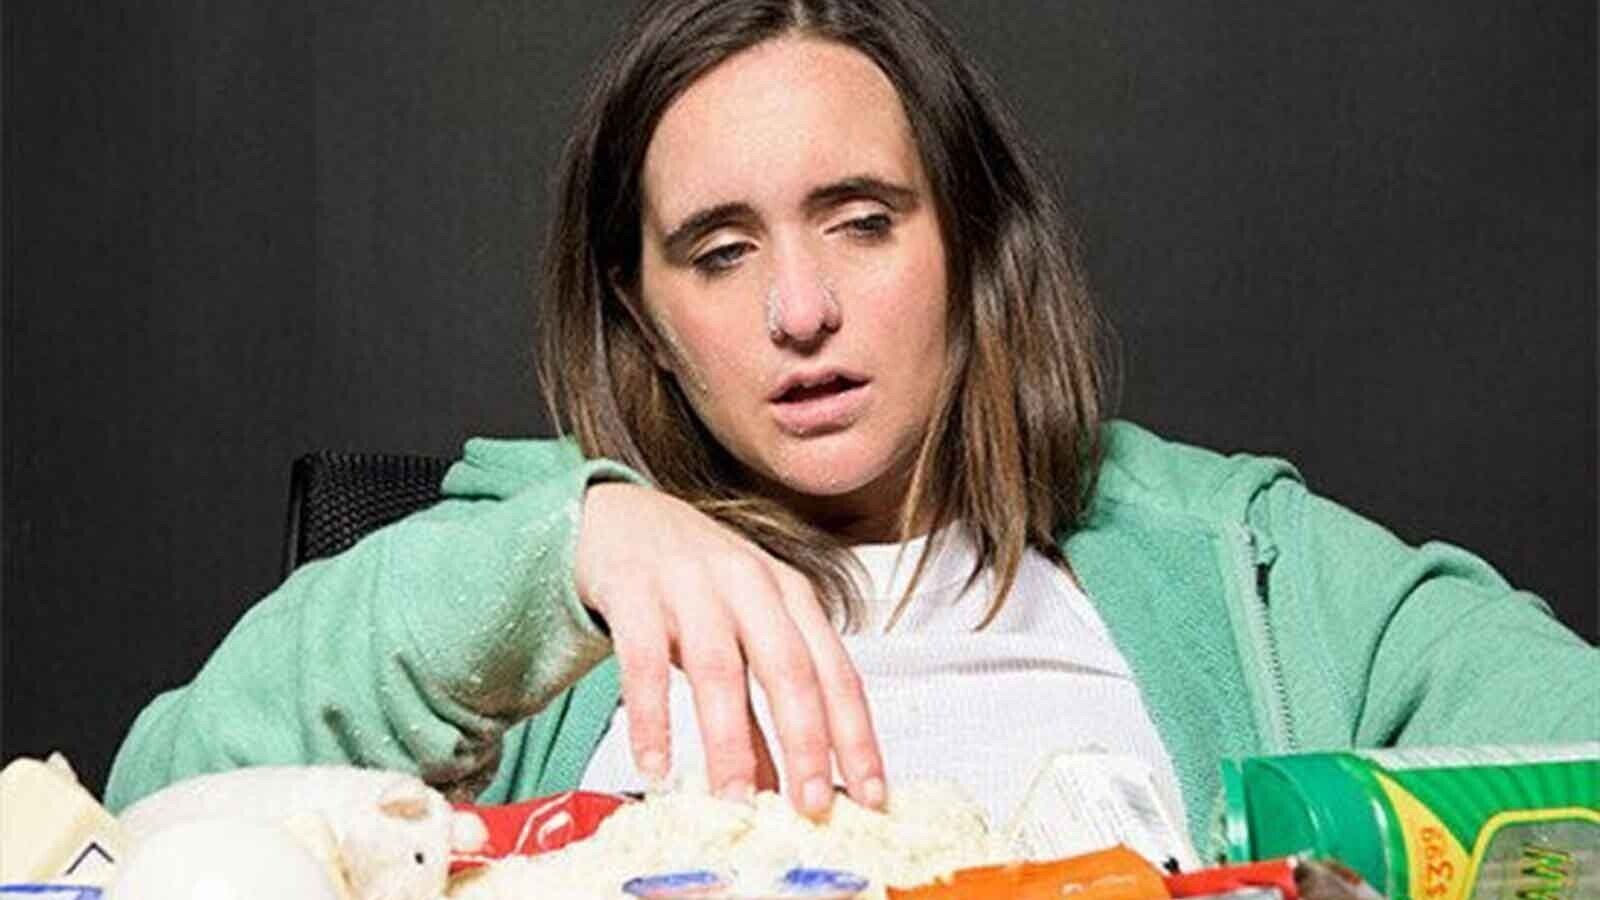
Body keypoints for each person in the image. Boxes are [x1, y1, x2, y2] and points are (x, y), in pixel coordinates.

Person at [106, 0, 1598, 854]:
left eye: (863, 221)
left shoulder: (1243, 567)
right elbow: (145, 822)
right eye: (719, 251)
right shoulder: (549, 575)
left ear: (973, 244)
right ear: (641, 313)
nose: (801, 310)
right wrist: (561, 556)